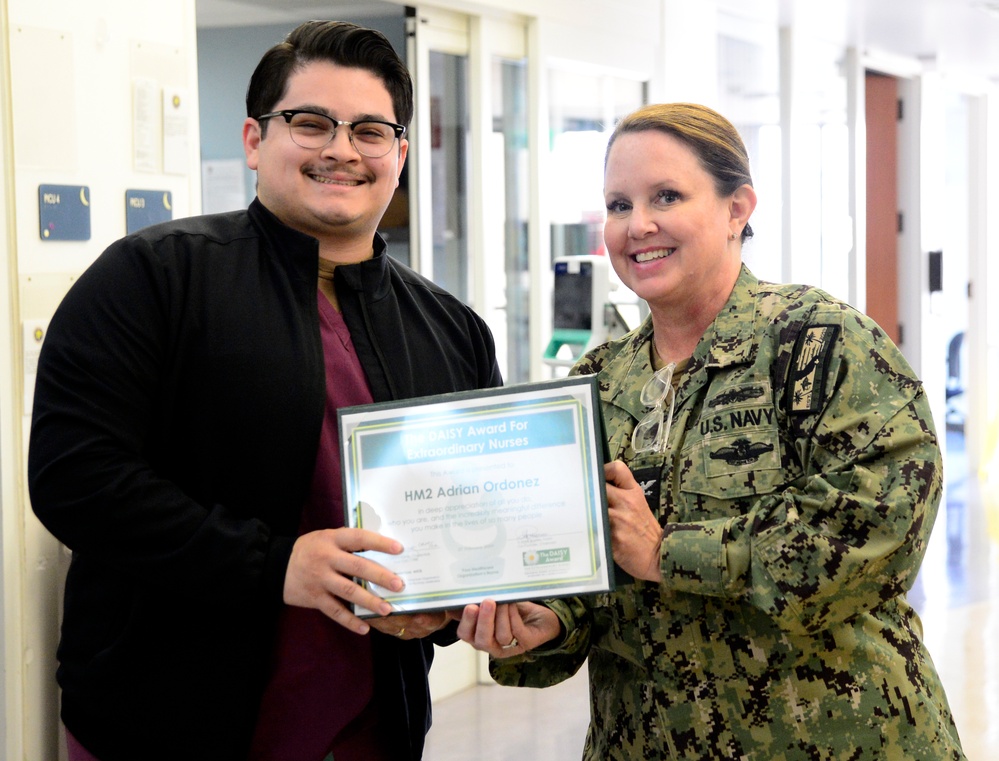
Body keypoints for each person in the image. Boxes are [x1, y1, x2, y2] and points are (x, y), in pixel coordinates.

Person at [28, 20, 501, 761]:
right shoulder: (153, 279)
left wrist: (443, 608)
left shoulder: (452, 330)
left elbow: (475, 514)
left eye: (371, 131)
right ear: (254, 140)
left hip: (370, 729)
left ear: (399, 155)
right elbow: (74, 478)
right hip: (163, 724)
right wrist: (272, 563)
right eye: (310, 123)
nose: (341, 149)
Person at [453, 103, 966, 760]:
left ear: (736, 208)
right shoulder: (595, 385)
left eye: (666, 195)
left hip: (832, 739)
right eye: (617, 204)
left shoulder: (817, 343)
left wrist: (669, 551)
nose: (637, 225)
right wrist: (548, 619)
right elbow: (576, 566)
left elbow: (879, 523)